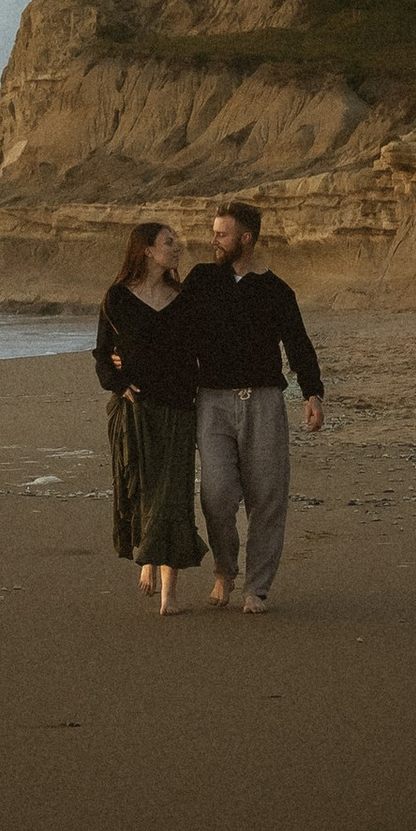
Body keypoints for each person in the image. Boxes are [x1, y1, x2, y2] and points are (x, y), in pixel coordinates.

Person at [171, 199, 324, 614]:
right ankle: (225, 568)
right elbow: (172, 330)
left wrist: (313, 394)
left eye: (222, 234)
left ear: (247, 238)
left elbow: (299, 344)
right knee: (216, 494)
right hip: (213, 402)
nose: (214, 240)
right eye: (214, 232)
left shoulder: (277, 291)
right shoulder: (201, 279)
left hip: (264, 402)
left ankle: (257, 587)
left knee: (267, 498)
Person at [91, 222, 202, 612]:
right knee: (141, 489)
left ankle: (170, 593)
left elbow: (199, 351)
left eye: (176, 243)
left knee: (174, 496)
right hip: (136, 410)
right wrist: (118, 384)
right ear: (147, 251)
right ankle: (148, 557)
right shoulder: (118, 298)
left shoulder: (183, 298)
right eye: (169, 243)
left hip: (178, 408)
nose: (177, 249)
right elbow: (103, 353)